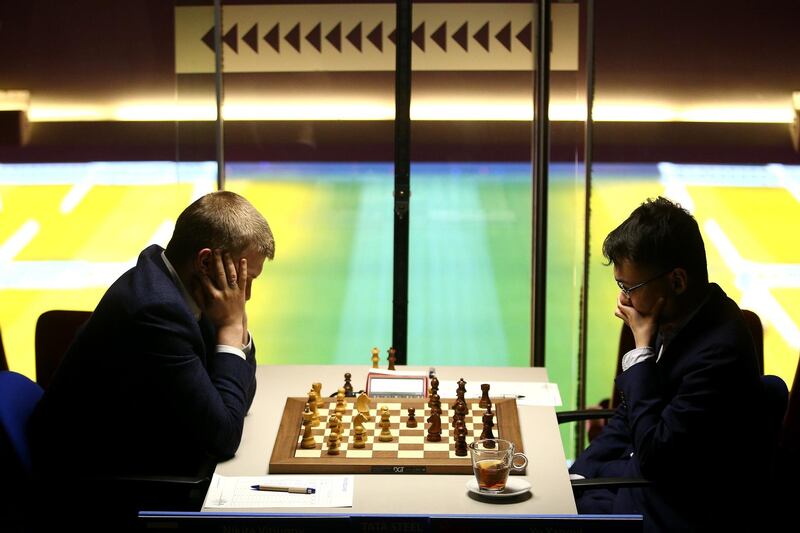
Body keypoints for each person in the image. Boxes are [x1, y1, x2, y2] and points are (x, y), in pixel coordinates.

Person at [28, 191, 274, 520]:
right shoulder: (157, 311)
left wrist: (231, 330)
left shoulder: (175, 285)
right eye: (244, 278)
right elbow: (223, 435)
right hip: (98, 491)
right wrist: (231, 324)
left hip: (137, 453)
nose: (245, 295)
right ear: (205, 263)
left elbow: (239, 394)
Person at [570, 197, 769, 531]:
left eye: (629, 287)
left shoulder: (719, 354)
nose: (624, 300)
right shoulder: (679, 314)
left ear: (676, 281)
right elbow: (628, 416)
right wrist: (578, 472)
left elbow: (655, 457)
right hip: (637, 481)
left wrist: (642, 353)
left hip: (668, 511)